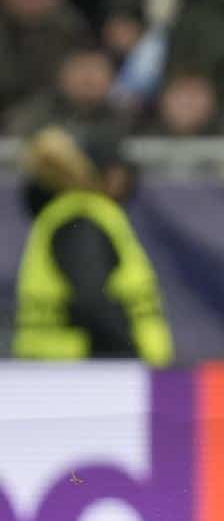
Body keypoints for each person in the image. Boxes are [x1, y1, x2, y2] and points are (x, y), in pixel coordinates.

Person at [11, 126, 171, 365]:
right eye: (113, 171)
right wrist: (128, 353)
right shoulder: (83, 219)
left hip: (58, 368)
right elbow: (91, 302)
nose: (121, 179)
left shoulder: (66, 216)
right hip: (84, 374)